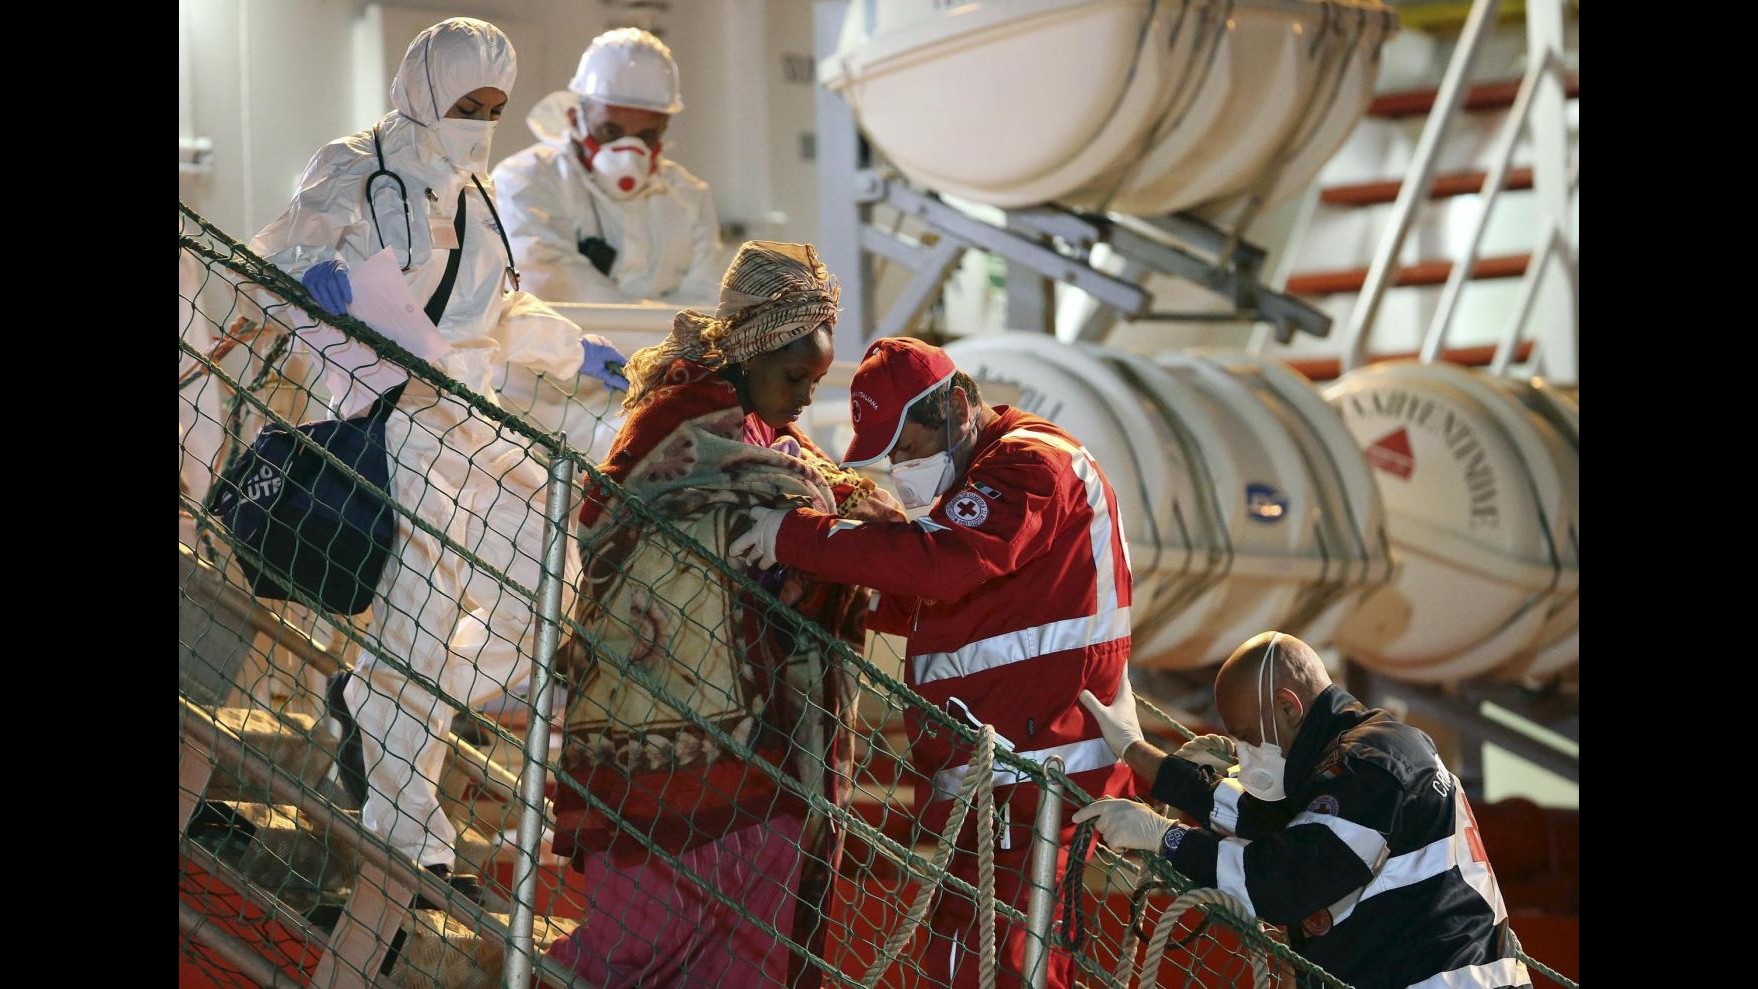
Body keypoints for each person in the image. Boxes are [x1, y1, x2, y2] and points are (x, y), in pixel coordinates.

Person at [245, 16, 629, 909]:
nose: (480, 122)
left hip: (472, 413)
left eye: (494, 108)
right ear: (424, 91)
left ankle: (372, 703)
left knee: (550, 584)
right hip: (390, 413)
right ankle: (409, 838)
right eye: (467, 104)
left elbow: (499, 313)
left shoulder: (477, 193)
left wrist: (574, 352)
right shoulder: (355, 163)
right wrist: (312, 273)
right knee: (420, 607)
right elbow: (287, 244)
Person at [545, 241, 905, 988]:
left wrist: (817, 510)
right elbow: (624, 515)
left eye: (818, 378)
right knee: (633, 948)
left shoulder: (780, 441)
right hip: (674, 750)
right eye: (795, 376)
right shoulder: (677, 424)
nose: (808, 395)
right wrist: (814, 511)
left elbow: (818, 505)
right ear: (747, 352)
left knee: (753, 955)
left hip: (772, 755)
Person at [729, 336, 1138, 989]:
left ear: (957, 404)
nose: (902, 466)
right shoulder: (987, 481)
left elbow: (947, 568)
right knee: (972, 959)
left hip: (1033, 775)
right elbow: (960, 605)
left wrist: (796, 537)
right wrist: (862, 589)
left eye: (908, 447)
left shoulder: (1031, 465)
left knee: (995, 965)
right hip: (998, 773)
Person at [1074, 631, 1533, 989]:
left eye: (1249, 736)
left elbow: (1287, 879)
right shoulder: (1360, 755)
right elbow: (1264, 821)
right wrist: (1135, 750)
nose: (1244, 754)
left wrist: (1165, 837)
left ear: (1288, 708)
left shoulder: (1374, 766)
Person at [491, 27, 723, 307]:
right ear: (575, 118)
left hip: (670, 351)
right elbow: (551, 281)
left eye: (646, 136)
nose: (628, 152)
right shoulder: (526, 179)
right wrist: (657, 323)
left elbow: (706, 304)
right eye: (610, 132)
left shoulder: (689, 196)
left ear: (663, 130)